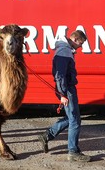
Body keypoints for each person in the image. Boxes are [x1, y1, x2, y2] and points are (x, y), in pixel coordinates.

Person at [38, 30, 91, 162]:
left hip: (68, 88)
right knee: (74, 120)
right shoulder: (64, 52)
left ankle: (47, 135)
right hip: (67, 90)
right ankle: (73, 152)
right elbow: (60, 76)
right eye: (81, 43)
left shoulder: (66, 50)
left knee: (73, 118)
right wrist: (62, 94)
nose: (81, 46)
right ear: (75, 39)